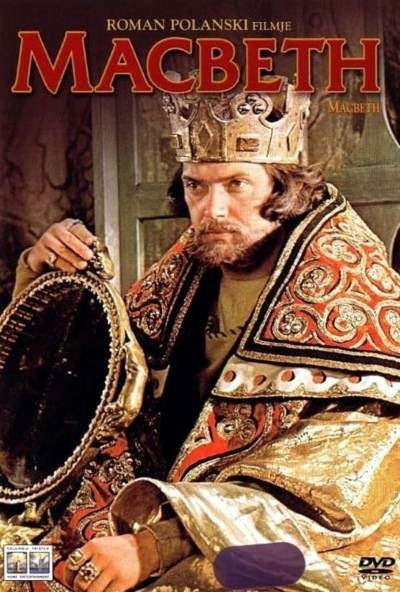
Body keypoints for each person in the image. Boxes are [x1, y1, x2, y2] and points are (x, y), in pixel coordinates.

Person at [10, 78, 400, 592]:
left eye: (236, 184)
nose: (212, 210)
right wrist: (45, 279)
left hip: (295, 547)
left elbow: (333, 493)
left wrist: (153, 548)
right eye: (196, 185)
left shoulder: (354, 299)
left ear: (283, 190)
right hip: (136, 519)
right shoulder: (186, 273)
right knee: (16, 565)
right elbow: (76, 390)